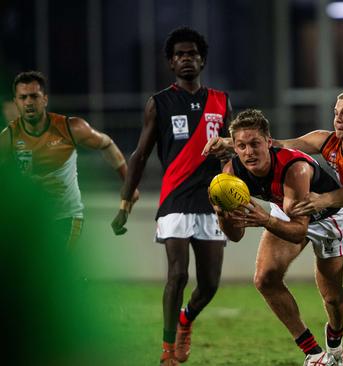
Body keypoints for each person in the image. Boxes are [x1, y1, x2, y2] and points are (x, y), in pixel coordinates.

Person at [203, 91, 343, 365]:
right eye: (336, 111)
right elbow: (279, 142)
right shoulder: (326, 140)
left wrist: (321, 200)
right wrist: (233, 145)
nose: (338, 117)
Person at [110, 27, 232, 366]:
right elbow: (139, 155)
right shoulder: (159, 103)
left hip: (211, 202)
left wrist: (237, 197)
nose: (186, 59)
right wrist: (124, 204)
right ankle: (167, 353)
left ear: (202, 60)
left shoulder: (221, 101)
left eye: (192, 53)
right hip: (175, 200)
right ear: (170, 63)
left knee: (209, 286)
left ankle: (185, 321)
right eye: (179, 55)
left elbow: (231, 155)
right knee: (177, 274)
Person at [214, 109, 343, 366]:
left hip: (327, 219)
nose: (249, 152)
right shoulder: (232, 174)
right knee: (265, 279)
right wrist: (223, 215)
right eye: (241, 146)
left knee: (332, 296)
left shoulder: (294, 168)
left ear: (268, 141)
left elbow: (299, 229)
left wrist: (265, 220)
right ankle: (315, 354)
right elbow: (237, 235)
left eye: (255, 144)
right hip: (284, 210)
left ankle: (335, 339)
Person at [0, 70, 134, 247]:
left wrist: (128, 183)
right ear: (16, 102)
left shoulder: (71, 128)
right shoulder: (8, 138)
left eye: (34, 96)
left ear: (45, 99)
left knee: (51, 269)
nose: (29, 102)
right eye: (23, 98)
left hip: (65, 218)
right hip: (29, 221)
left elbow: (106, 144)